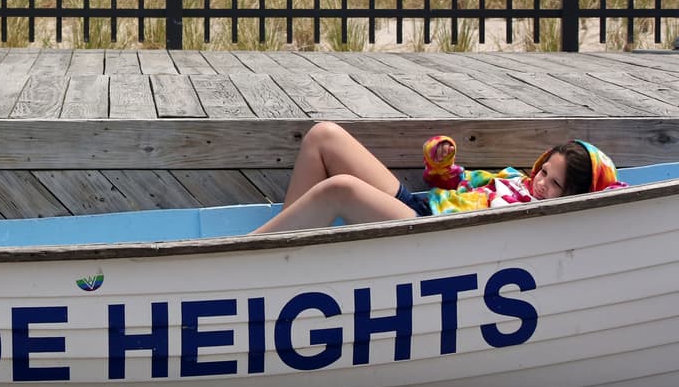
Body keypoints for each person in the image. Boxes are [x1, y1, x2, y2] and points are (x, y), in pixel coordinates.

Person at [251, 121, 621, 235]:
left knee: (339, 189)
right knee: (323, 136)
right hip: (419, 206)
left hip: (431, 232)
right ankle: (283, 240)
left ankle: (251, 249)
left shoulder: (542, 221)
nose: (541, 183)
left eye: (555, 184)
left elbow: (612, 194)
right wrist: (441, 164)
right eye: (543, 170)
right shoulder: (514, 180)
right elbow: (452, 184)